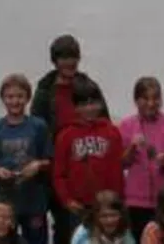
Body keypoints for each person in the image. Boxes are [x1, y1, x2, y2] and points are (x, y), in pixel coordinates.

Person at [32, 35, 110, 244]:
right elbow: (37, 130)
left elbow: (105, 123)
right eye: (64, 57)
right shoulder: (44, 90)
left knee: (83, 225)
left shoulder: (88, 85)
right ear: (55, 60)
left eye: (73, 57)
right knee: (61, 222)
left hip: (84, 165)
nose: (69, 62)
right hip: (55, 166)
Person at [0, 74, 53, 244]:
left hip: (34, 200)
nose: (15, 101)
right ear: (3, 99)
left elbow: (50, 160)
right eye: (10, 97)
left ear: (27, 98)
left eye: (20, 96)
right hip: (5, 202)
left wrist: (37, 165)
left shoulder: (39, 126)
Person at [121, 76, 164, 241]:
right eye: (145, 98)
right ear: (136, 100)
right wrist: (131, 148)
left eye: (156, 98)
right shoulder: (126, 124)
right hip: (135, 198)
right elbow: (122, 162)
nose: (151, 103)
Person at [53, 75, 124, 227]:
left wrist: (116, 200)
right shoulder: (65, 135)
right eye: (84, 104)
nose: (90, 108)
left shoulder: (112, 132)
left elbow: (117, 169)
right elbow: (59, 173)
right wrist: (67, 200)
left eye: (94, 103)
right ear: (75, 106)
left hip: (107, 206)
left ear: (101, 104)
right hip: (78, 207)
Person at [70, 190, 136, 244]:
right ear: (95, 216)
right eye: (104, 216)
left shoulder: (125, 232)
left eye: (113, 215)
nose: (109, 220)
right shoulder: (83, 233)